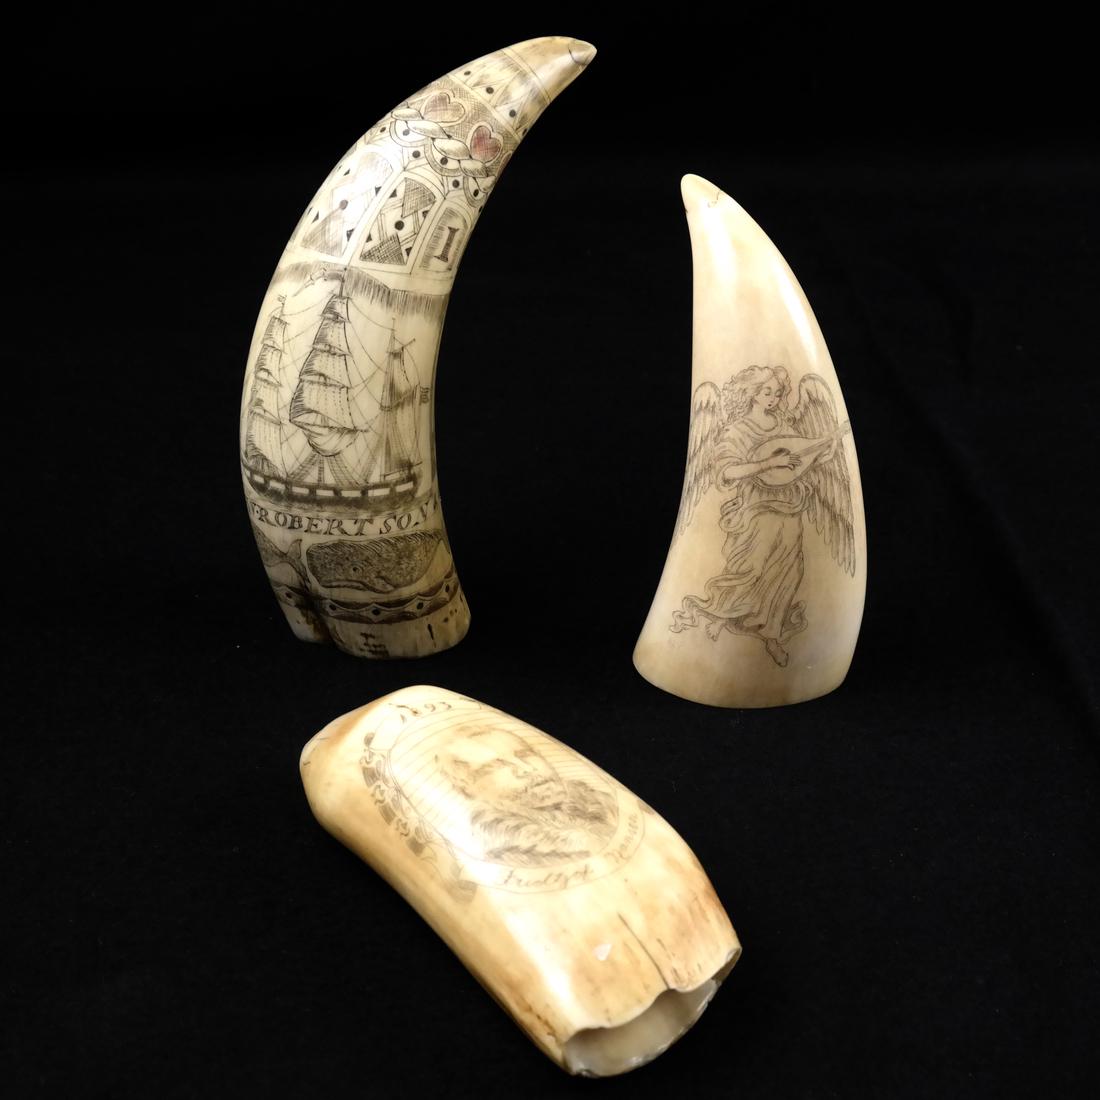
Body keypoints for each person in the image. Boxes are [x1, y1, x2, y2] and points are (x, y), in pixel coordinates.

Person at [672, 365, 826, 667]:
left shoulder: (783, 424)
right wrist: (767, 464)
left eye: (777, 393)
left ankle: (772, 634)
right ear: (752, 393)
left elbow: (798, 460)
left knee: (789, 571)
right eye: (766, 392)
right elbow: (727, 471)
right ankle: (720, 614)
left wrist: (822, 455)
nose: (773, 398)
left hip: (788, 506)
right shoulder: (738, 430)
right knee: (750, 569)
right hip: (755, 510)